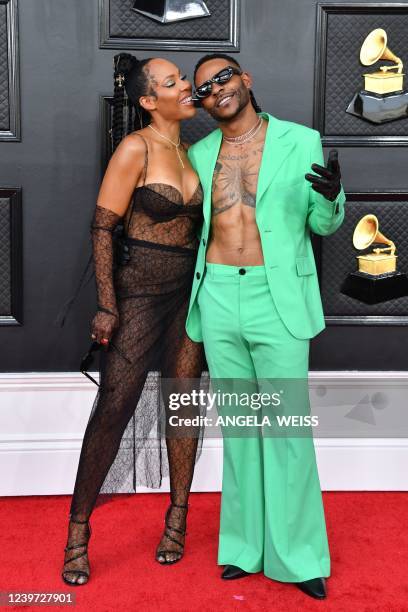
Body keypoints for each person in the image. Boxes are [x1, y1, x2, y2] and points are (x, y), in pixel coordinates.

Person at [184, 53, 346, 600]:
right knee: (240, 430)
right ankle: (243, 547)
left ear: (246, 80)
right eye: (205, 88)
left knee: (286, 431)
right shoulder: (201, 152)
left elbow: (322, 223)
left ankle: (298, 556)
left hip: (277, 299)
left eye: (224, 77)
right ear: (201, 103)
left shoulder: (302, 140)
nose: (217, 90)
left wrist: (332, 196)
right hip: (220, 296)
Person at [61, 53, 206, 585]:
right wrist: (107, 304)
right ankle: (78, 531)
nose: (187, 87)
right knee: (115, 407)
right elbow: (102, 229)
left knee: (183, 403)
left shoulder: (190, 152)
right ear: (149, 100)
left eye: (183, 78)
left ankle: (177, 519)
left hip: (189, 298)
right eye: (174, 82)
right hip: (139, 295)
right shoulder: (136, 147)